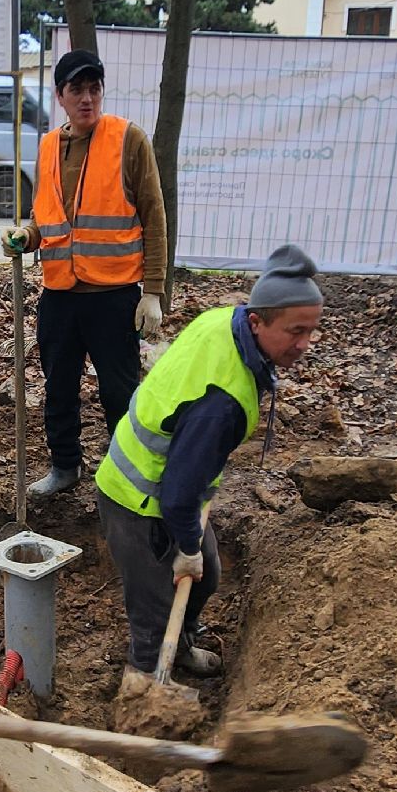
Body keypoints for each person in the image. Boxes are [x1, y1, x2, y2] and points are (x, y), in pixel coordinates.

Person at [93, 244, 324, 689]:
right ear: (257, 321)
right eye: (296, 331)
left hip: (174, 484)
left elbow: (188, 473)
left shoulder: (228, 321)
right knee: (155, 607)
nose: (304, 344)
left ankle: (179, 648)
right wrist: (186, 547)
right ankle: (143, 687)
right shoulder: (222, 403)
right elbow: (179, 491)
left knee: (206, 575)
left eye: (311, 331)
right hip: (136, 499)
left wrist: (193, 551)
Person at [0, 48, 167, 496]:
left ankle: (127, 475)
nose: (88, 98)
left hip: (113, 296)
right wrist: (27, 236)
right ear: (60, 96)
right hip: (60, 293)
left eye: (95, 88)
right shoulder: (49, 146)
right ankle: (65, 467)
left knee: (119, 392)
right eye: (78, 89)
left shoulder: (129, 140)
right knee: (58, 389)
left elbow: (153, 215)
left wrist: (153, 290)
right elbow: (49, 219)